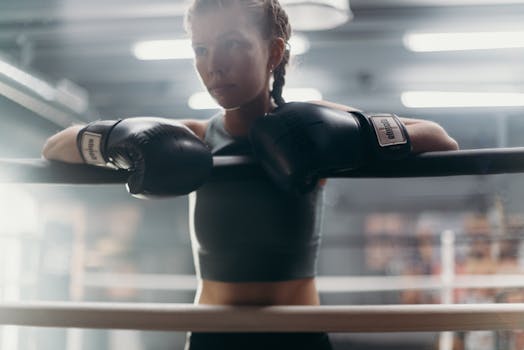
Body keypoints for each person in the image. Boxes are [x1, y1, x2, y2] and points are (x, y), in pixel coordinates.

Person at [41, 0, 459, 348]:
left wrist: (356, 136)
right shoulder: (195, 136)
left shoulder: (317, 125)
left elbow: (439, 138)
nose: (214, 65)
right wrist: (117, 138)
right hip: (213, 336)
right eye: (201, 50)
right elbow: (55, 146)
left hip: (298, 335)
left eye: (233, 44)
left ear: (273, 52)